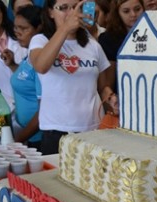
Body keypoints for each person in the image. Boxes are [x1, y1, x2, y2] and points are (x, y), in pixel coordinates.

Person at [29, 0, 111, 154]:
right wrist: (65, 28)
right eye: (63, 8)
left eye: (75, 7)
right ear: (50, 12)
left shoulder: (93, 45)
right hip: (57, 132)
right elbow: (41, 66)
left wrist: (111, 97)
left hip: (94, 130)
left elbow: (102, 87)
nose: (72, 13)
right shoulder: (40, 40)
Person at [97, 0, 145, 128]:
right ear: (117, 13)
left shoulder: (154, 34)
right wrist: (112, 101)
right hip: (122, 108)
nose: (133, 14)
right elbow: (107, 85)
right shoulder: (109, 39)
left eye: (137, 9)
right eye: (126, 11)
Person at [9, 5, 43, 149]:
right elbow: (27, 80)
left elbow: (44, 110)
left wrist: (18, 139)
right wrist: (12, 65)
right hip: (27, 135)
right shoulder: (28, 55)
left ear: (39, 29)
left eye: (24, 28)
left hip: (38, 137)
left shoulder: (41, 60)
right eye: (16, 28)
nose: (18, 33)